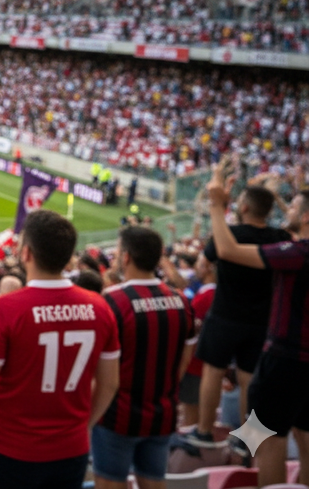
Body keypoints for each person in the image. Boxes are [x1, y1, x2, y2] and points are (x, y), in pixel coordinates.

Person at [0, 210, 120, 489]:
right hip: (71, 449)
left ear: (26, 253)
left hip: (9, 451)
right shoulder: (99, 307)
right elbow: (110, 383)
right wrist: (84, 426)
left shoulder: (5, 308)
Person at [206, 165, 309, 486]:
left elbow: (225, 250)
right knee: (304, 439)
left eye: (292, 206)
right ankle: (240, 445)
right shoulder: (287, 244)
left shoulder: (297, 253)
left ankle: (231, 447)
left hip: (284, 359)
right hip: (298, 361)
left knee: (267, 440)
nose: (285, 210)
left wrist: (215, 204)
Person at [183, 175, 291, 452]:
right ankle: (245, 440)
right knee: (248, 379)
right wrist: (275, 198)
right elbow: (292, 224)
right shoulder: (279, 238)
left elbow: (200, 268)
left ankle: (204, 431)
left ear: (243, 207)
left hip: (224, 315)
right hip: (260, 321)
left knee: (213, 371)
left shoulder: (228, 234)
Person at [92, 227, 196, 489]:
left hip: (118, 416)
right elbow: (184, 363)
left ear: (125, 258)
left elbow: (101, 370)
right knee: (154, 483)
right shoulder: (181, 301)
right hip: (162, 413)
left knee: (110, 483)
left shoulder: (112, 301)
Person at [179, 253, 217, 428]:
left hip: (195, 364)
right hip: (206, 363)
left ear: (208, 268)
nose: (196, 268)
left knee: (191, 416)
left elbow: (191, 332)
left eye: (200, 264)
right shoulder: (214, 293)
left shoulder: (205, 297)